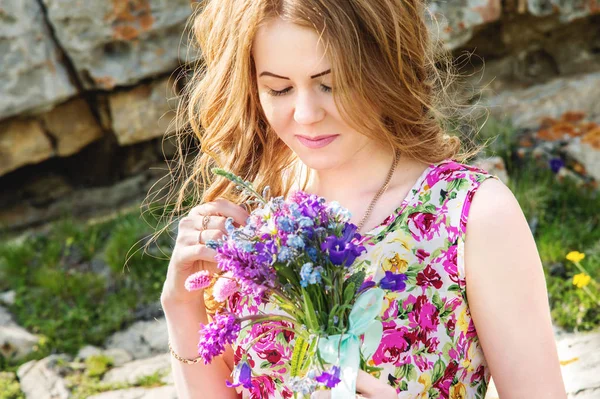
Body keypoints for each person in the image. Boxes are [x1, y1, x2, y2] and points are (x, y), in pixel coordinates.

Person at [158, 0, 568, 398]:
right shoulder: (251, 217)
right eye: (279, 89)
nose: (305, 114)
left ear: (383, 69)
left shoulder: (470, 216)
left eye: (330, 84)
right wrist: (181, 307)